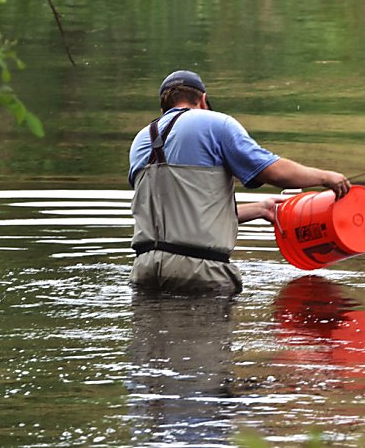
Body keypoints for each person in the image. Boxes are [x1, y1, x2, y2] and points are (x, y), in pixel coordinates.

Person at [128, 69, 351, 294]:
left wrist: (260, 209)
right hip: (201, 273)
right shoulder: (216, 124)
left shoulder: (140, 140)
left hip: (145, 272)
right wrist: (325, 177)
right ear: (203, 100)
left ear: (163, 108)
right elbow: (273, 172)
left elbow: (185, 219)